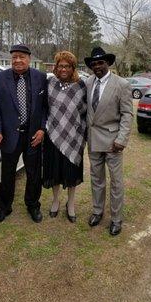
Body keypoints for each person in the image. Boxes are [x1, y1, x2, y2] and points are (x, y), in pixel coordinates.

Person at [0, 44, 47, 224]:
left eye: (22, 56)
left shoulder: (40, 77)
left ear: (29, 59)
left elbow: (46, 106)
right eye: (14, 57)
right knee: (7, 175)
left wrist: (42, 129)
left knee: (34, 174)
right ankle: (4, 207)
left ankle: (33, 205)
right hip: (9, 136)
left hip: (33, 136)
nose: (18, 60)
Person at [84, 47, 133, 236]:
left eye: (100, 62)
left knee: (116, 182)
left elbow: (127, 114)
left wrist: (122, 139)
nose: (97, 66)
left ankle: (116, 219)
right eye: (94, 63)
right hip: (93, 140)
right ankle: (97, 211)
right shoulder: (88, 82)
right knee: (97, 179)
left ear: (108, 63)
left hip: (113, 142)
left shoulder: (122, 84)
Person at [43, 51, 87, 223]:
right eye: (60, 65)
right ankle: (55, 201)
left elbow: (84, 112)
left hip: (73, 137)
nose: (63, 69)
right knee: (54, 170)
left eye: (67, 66)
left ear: (73, 68)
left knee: (71, 172)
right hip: (53, 135)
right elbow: (44, 108)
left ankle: (71, 203)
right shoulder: (50, 83)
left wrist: (82, 133)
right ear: (56, 67)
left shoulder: (81, 86)